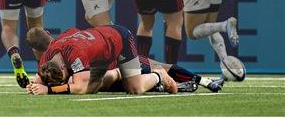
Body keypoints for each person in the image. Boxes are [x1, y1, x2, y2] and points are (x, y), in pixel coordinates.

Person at [26, 27, 225, 94]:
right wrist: (33, 86)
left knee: (136, 86)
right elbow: (38, 80)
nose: (63, 79)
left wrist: (50, 90)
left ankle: (159, 77)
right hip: (102, 47)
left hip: (119, 40)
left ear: (64, 65)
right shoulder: (48, 57)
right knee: (95, 81)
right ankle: (204, 81)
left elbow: (79, 88)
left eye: (63, 74)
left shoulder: (75, 55)